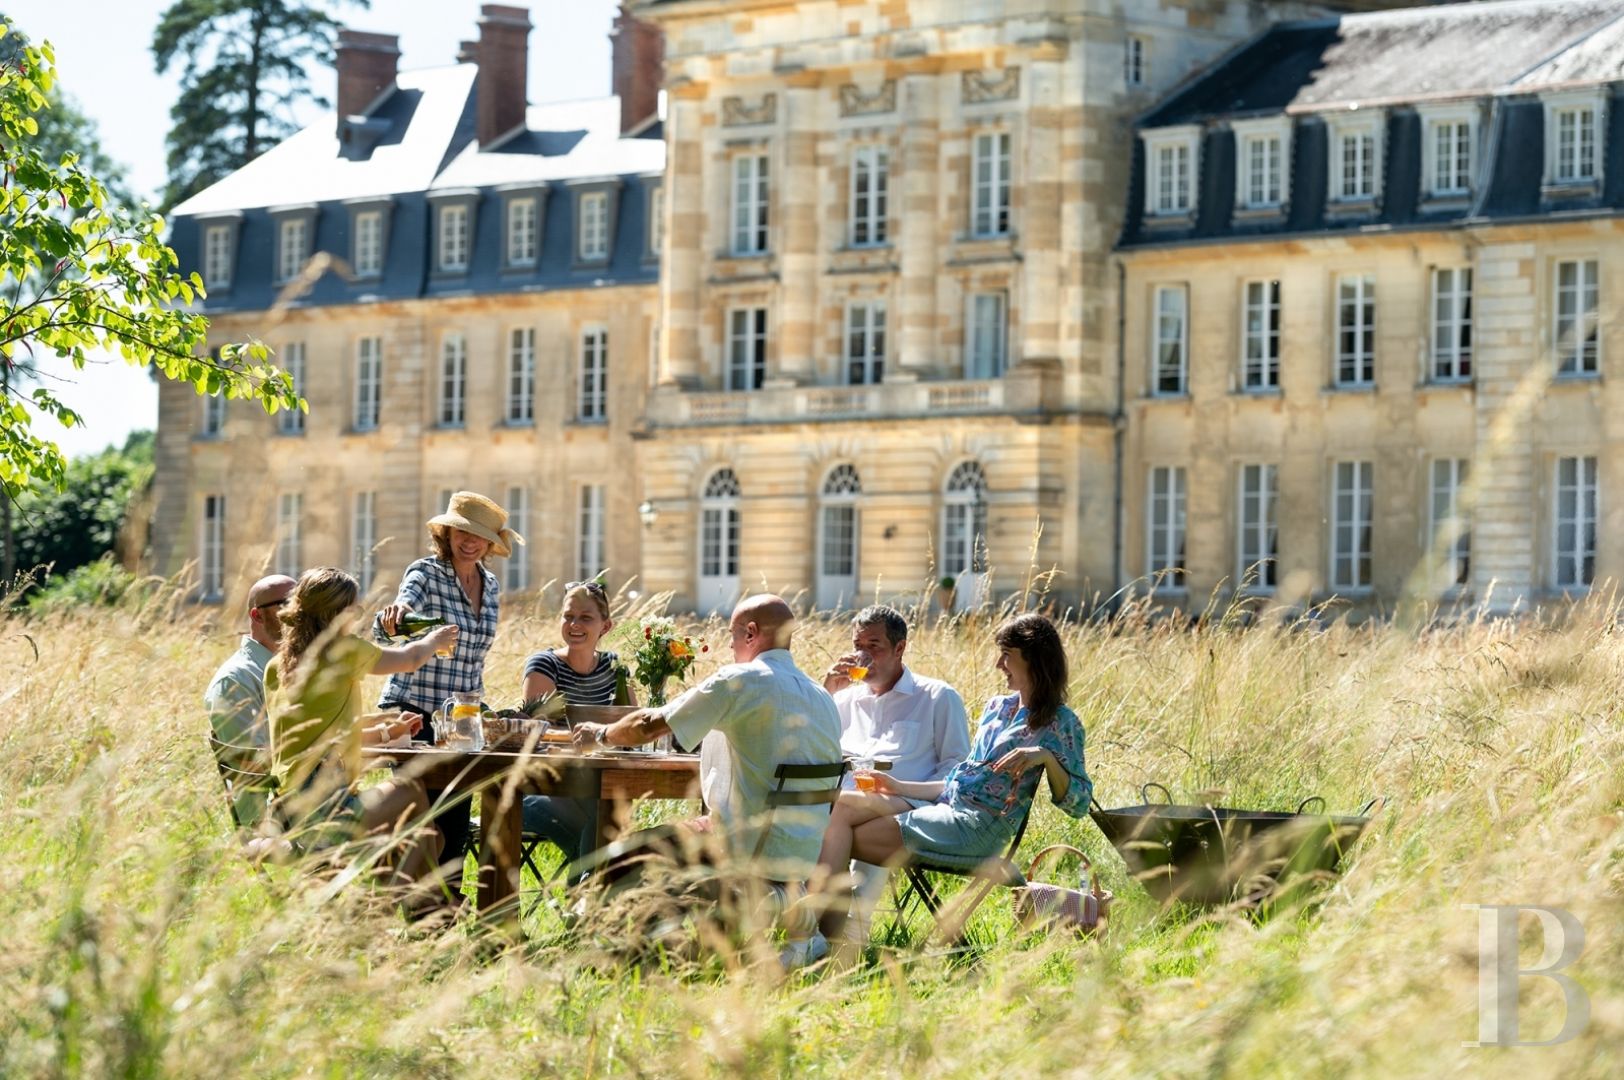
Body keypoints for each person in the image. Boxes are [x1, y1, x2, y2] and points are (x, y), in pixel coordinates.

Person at [803, 612, 1092, 959]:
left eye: (1007, 656)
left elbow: (1077, 803)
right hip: (949, 810)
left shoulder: (1061, 723)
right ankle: (828, 940)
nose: (999, 665)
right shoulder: (997, 708)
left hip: (979, 828)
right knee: (842, 811)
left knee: (837, 833)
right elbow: (959, 780)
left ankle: (822, 940)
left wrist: (1046, 756)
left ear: (1033, 660)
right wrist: (898, 786)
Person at [569, 594, 842, 877]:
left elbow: (648, 724)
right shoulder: (822, 697)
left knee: (618, 860)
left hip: (738, 848)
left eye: (731, 635)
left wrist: (600, 734)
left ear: (750, 632)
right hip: (801, 859)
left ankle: (595, 912)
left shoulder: (739, 680)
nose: (729, 645)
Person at [264, 567, 455, 902]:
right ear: (338, 614)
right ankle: (384, 910)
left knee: (428, 836)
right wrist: (434, 640)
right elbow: (409, 659)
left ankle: (429, 910)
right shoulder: (345, 651)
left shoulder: (277, 665)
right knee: (412, 794)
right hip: (325, 810)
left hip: (284, 809)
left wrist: (384, 729)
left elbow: (315, 728)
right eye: (354, 607)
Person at [375, 491, 523, 881]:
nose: (468, 541)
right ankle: (414, 912)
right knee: (422, 821)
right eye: (461, 532)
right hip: (415, 713)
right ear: (446, 533)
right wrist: (396, 616)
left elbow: (475, 658)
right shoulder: (425, 572)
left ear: (491, 543)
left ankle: (444, 915)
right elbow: (396, 616)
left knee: (456, 822)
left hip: (461, 720)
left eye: (477, 535)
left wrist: (481, 712)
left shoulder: (490, 586)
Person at [820, 604, 970, 940]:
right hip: (845, 805)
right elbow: (810, 749)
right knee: (826, 809)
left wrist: (909, 789)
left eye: (874, 646)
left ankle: (831, 933)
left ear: (899, 648)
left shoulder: (937, 697)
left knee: (848, 810)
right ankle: (834, 931)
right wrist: (826, 691)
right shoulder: (844, 701)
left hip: (912, 800)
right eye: (858, 646)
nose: (863, 656)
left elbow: (956, 771)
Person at [519, 578, 634, 880]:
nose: (574, 624)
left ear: (605, 627)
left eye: (585, 617)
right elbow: (538, 735)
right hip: (540, 790)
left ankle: (585, 896)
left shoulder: (614, 667)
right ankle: (588, 896)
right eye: (568, 616)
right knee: (606, 818)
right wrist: (600, 737)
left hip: (594, 788)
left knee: (607, 804)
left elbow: (632, 727)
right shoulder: (545, 665)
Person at [204, 573, 297, 828]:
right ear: (257, 616)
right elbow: (253, 763)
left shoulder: (289, 669)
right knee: (404, 801)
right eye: (288, 604)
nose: (300, 613)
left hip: (305, 801)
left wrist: (383, 732)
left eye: (303, 603)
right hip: (273, 816)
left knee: (409, 796)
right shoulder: (235, 680)